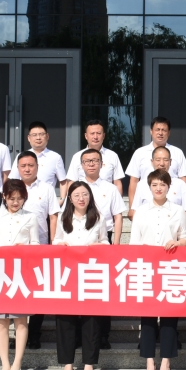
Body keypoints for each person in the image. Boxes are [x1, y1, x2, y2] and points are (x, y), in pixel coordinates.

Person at [130, 169, 186, 370]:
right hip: (146, 268)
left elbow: (184, 239)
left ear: (168, 187)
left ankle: (165, 361)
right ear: (149, 187)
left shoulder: (178, 210)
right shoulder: (141, 211)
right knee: (147, 317)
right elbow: (134, 242)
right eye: (154, 184)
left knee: (168, 316)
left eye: (162, 184)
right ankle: (149, 362)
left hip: (170, 267)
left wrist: (177, 242)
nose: (158, 188)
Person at [53, 181, 110, 370]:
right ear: (70, 198)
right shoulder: (64, 218)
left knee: (91, 320)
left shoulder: (98, 218)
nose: (81, 198)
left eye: (85, 194)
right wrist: (61, 244)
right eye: (76, 195)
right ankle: (67, 365)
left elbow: (105, 242)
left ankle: (88, 366)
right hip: (67, 275)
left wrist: (97, 246)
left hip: (90, 274)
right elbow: (56, 241)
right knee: (65, 320)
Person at [0, 179, 38, 370]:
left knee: (20, 320)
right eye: (12, 198)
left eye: (20, 198)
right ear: (4, 197)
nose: (16, 202)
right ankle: (5, 364)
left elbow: (36, 244)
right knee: (1, 321)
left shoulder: (30, 217)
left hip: (20, 273)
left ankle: (17, 364)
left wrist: (25, 248)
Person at [77, 148, 126, 350]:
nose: (91, 164)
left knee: (103, 290)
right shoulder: (75, 187)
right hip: (79, 243)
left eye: (95, 161)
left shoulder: (110, 188)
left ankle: (103, 335)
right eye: (87, 161)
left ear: (101, 164)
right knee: (80, 290)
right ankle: (80, 336)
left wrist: (116, 244)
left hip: (104, 242)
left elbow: (118, 216)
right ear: (82, 165)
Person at [14, 150, 62, 351]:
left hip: (40, 247)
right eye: (23, 166)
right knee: (18, 291)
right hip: (15, 250)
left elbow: (53, 217)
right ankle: (18, 334)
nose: (27, 169)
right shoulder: (12, 188)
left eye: (31, 165)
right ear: (18, 168)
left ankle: (34, 334)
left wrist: (52, 243)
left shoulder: (47, 188)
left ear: (37, 167)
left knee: (37, 292)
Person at [126, 116, 186, 203]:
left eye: (164, 130)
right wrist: (131, 207)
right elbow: (134, 181)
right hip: (146, 203)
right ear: (151, 131)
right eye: (157, 130)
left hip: (172, 203)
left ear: (169, 133)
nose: (160, 133)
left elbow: (183, 179)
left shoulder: (177, 152)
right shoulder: (140, 153)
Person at [63, 119, 125, 198]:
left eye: (98, 133)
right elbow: (72, 182)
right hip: (83, 200)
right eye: (92, 133)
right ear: (86, 136)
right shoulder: (77, 156)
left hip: (106, 199)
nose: (95, 137)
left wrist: (118, 202)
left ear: (103, 136)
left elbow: (117, 183)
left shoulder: (112, 156)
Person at [8, 121, 68, 198]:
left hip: (46, 200)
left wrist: (62, 200)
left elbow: (63, 182)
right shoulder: (21, 156)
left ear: (47, 136)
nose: (38, 138)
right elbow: (13, 180)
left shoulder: (55, 157)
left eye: (41, 134)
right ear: (29, 138)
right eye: (34, 135)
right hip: (24, 199)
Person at [129, 146, 186, 219]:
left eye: (165, 160)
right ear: (152, 162)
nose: (162, 163)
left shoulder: (180, 184)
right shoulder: (141, 184)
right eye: (158, 160)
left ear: (170, 162)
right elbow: (136, 212)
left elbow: (185, 212)